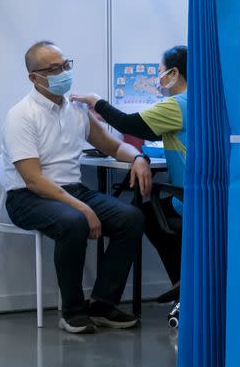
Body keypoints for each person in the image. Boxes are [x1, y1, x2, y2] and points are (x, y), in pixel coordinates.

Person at [1, 41, 152, 335]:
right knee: (73, 222)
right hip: (28, 197)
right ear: (34, 78)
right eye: (53, 69)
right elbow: (32, 179)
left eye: (65, 65)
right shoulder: (21, 115)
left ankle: (102, 304)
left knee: (131, 218)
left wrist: (137, 157)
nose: (63, 73)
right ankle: (72, 311)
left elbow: (111, 146)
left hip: (72, 190)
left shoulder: (77, 110)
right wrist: (82, 208)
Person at [71, 46, 187, 303]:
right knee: (151, 207)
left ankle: (182, 281)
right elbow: (151, 132)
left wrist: (96, 101)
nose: (159, 79)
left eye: (160, 72)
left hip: (189, 200)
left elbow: (130, 125)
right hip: (211, 196)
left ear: (174, 72)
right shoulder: (200, 103)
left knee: (146, 209)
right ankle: (183, 282)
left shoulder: (177, 104)